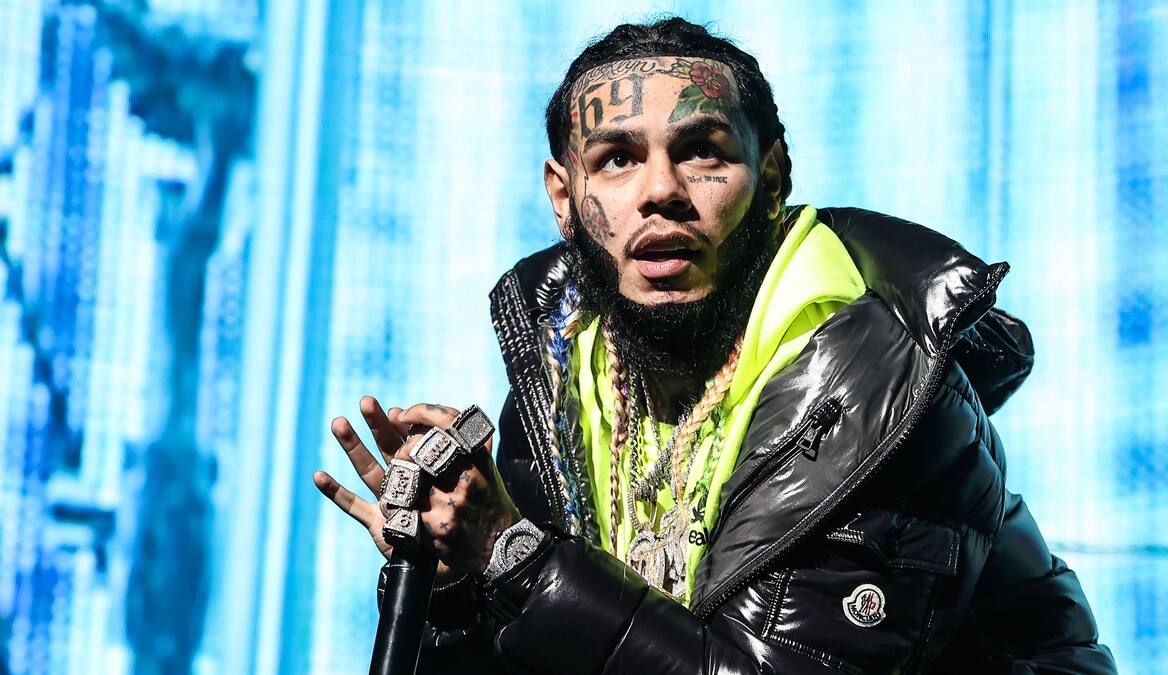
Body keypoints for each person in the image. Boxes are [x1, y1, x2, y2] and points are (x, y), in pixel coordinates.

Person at [313, 17, 1118, 674]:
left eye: (702, 151)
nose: (661, 190)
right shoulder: (563, 381)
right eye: (617, 158)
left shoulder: (880, 394)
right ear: (564, 197)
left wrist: (512, 555)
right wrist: (454, 582)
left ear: (771, 179)